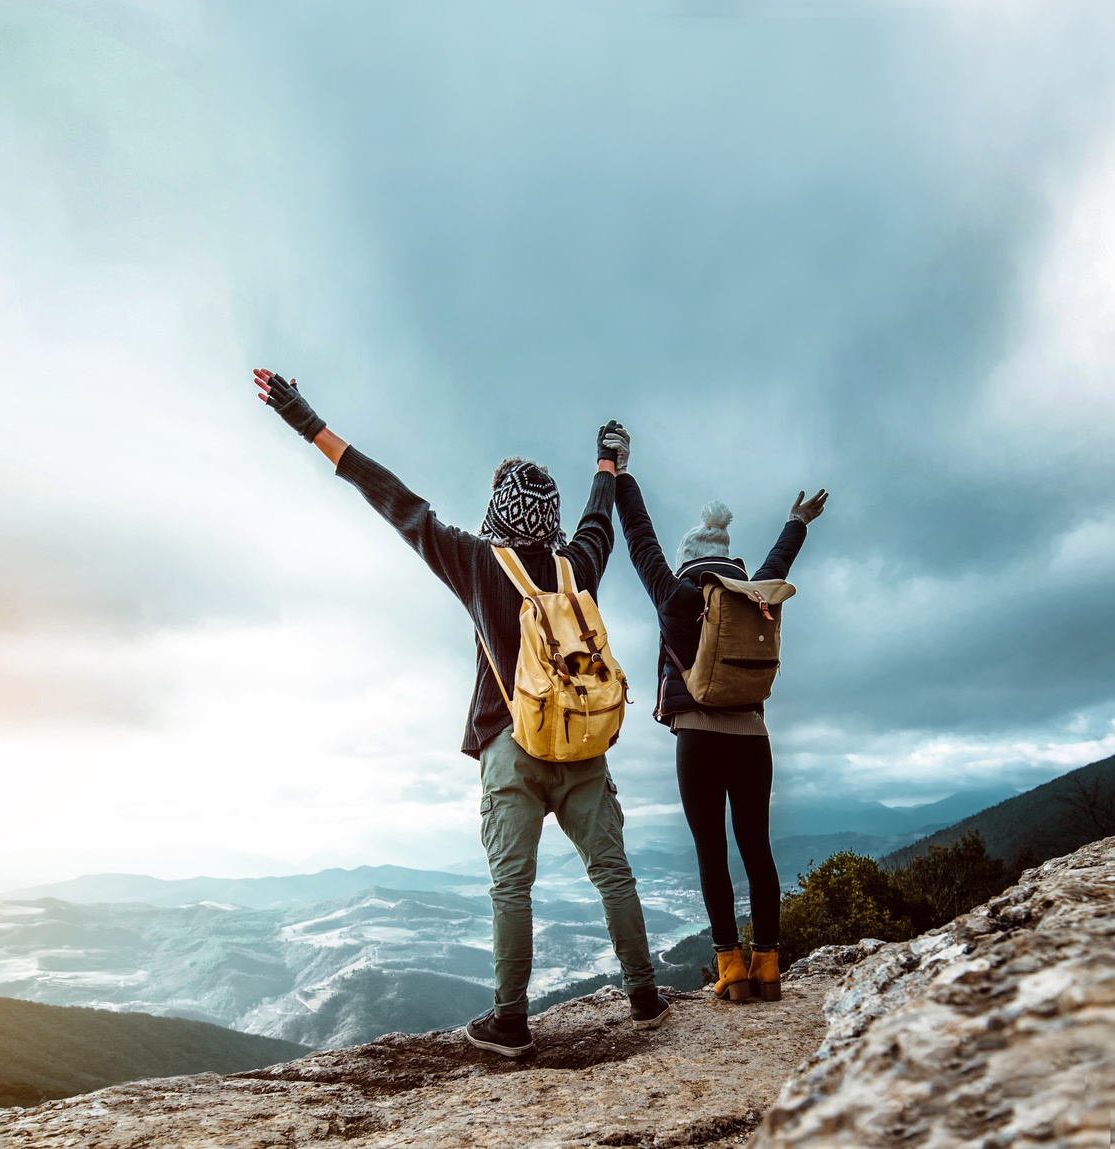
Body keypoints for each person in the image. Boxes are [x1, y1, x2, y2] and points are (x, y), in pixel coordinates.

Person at [250, 367, 667, 1057]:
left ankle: (510, 1021)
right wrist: (607, 462)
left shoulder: (476, 562)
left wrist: (306, 420)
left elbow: (394, 501)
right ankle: (646, 995)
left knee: (512, 887)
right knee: (612, 868)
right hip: (582, 742)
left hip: (511, 747)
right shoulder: (576, 565)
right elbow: (600, 520)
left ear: (499, 512)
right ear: (550, 519)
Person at [601, 422, 827, 1003]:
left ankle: (730, 968)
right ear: (729, 561)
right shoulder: (754, 593)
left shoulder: (675, 593)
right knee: (757, 847)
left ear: (686, 562)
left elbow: (640, 537)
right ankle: (770, 963)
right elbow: (778, 561)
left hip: (697, 738)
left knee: (711, 852)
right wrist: (796, 523)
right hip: (753, 737)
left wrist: (622, 474)